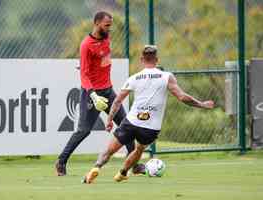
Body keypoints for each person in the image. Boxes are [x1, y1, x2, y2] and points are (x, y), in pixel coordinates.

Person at [82, 45, 214, 183]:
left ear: (141, 60)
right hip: (150, 129)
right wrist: (202, 104)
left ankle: (96, 168)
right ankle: (123, 172)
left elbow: (117, 101)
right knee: (138, 150)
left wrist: (109, 120)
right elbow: (182, 97)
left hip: (131, 122)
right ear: (156, 60)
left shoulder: (134, 78)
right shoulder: (166, 77)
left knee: (109, 151)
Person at [55, 11, 143, 176]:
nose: (109, 29)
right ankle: (61, 161)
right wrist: (93, 95)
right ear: (96, 23)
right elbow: (84, 74)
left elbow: (104, 63)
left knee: (126, 126)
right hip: (92, 93)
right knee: (84, 130)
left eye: (110, 25)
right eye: (106, 25)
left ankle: (134, 165)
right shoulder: (86, 45)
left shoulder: (106, 39)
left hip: (108, 91)